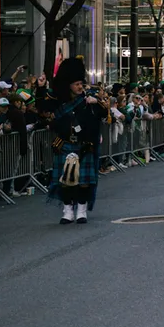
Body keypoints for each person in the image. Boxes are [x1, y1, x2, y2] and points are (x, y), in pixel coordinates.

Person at [41, 57, 109, 225]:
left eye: (81, 83)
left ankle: (82, 210)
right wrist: (40, 88)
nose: (80, 87)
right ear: (68, 85)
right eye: (76, 84)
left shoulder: (89, 99)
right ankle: (67, 210)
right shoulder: (58, 101)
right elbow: (43, 109)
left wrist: (98, 103)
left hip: (84, 144)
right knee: (65, 181)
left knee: (84, 182)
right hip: (64, 143)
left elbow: (104, 116)